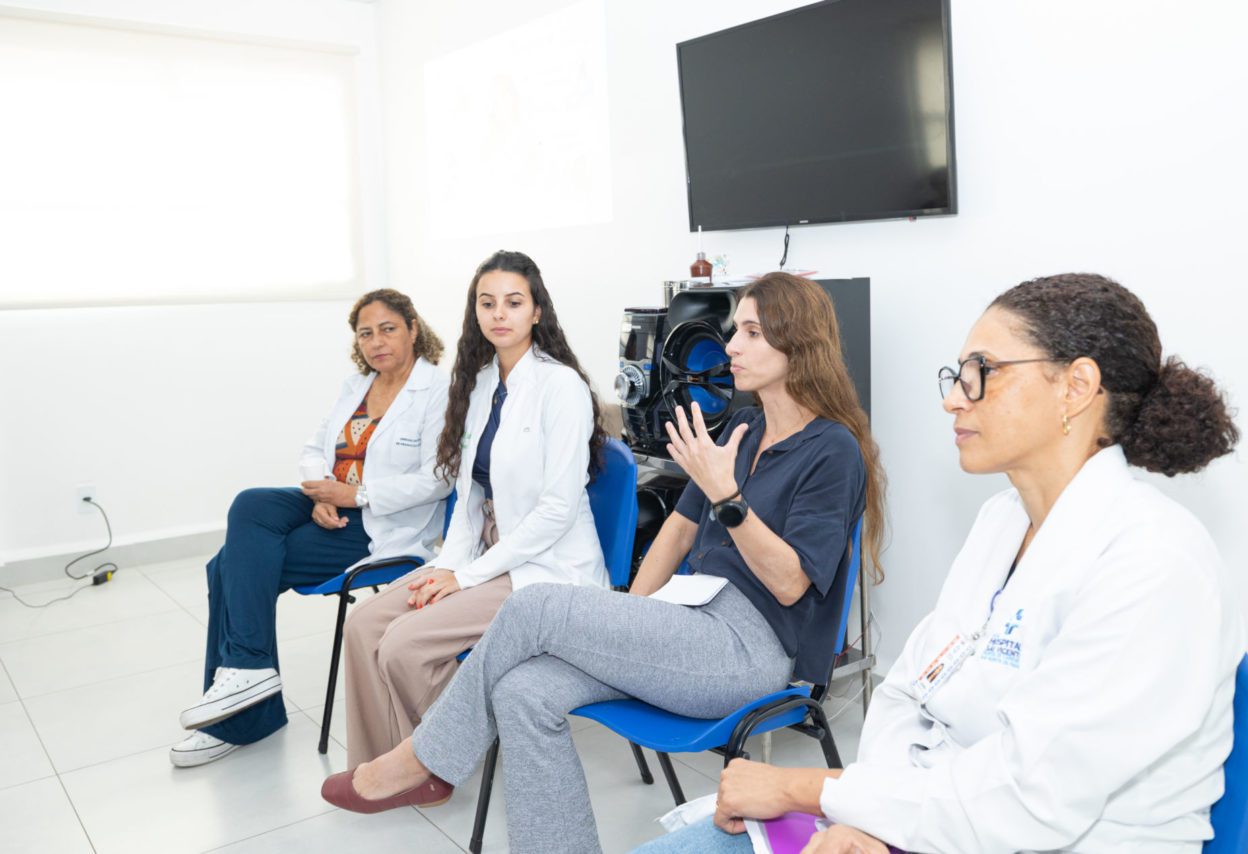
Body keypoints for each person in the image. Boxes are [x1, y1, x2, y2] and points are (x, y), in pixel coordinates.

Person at [636, 273, 1244, 854]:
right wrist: (868, 816)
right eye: (957, 375)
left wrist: (808, 790)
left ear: (1076, 387)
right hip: (933, 817)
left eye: (982, 372)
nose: (954, 398)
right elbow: (908, 693)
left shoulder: (1155, 563)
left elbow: (1029, 796)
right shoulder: (1002, 522)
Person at [318, 272, 888, 854]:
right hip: (685, 622)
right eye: (734, 330)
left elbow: (791, 584)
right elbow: (676, 530)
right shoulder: (744, 426)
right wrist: (624, 621)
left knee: (533, 605)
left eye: (751, 332)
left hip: (749, 651)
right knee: (522, 691)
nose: (732, 346)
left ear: (799, 346)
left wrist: (729, 499)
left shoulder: (832, 449)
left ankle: (422, 758)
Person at [340, 250, 611, 769]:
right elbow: (469, 496)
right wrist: (448, 566)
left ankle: (433, 765)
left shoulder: (561, 387)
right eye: (487, 303)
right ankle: (380, 765)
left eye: (513, 302)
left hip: (545, 570)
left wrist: (466, 579)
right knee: (365, 625)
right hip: (484, 557)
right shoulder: (483, 382)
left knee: (403, 646)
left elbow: (556, 512)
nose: (499, 314)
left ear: (537, 311)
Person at [170, 289, 453, 768]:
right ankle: (248, 674)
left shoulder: (438, 392)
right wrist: (323, 489)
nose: (376, 341)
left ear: (412, 328)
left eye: (388, 329)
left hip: (377, 524)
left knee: (226, 567)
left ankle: (241, 710)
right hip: (330, 503)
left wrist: (356, 495)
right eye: (366, 333)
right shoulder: (356, 386)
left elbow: (438, 478)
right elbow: (314, 446)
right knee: (251, 505)